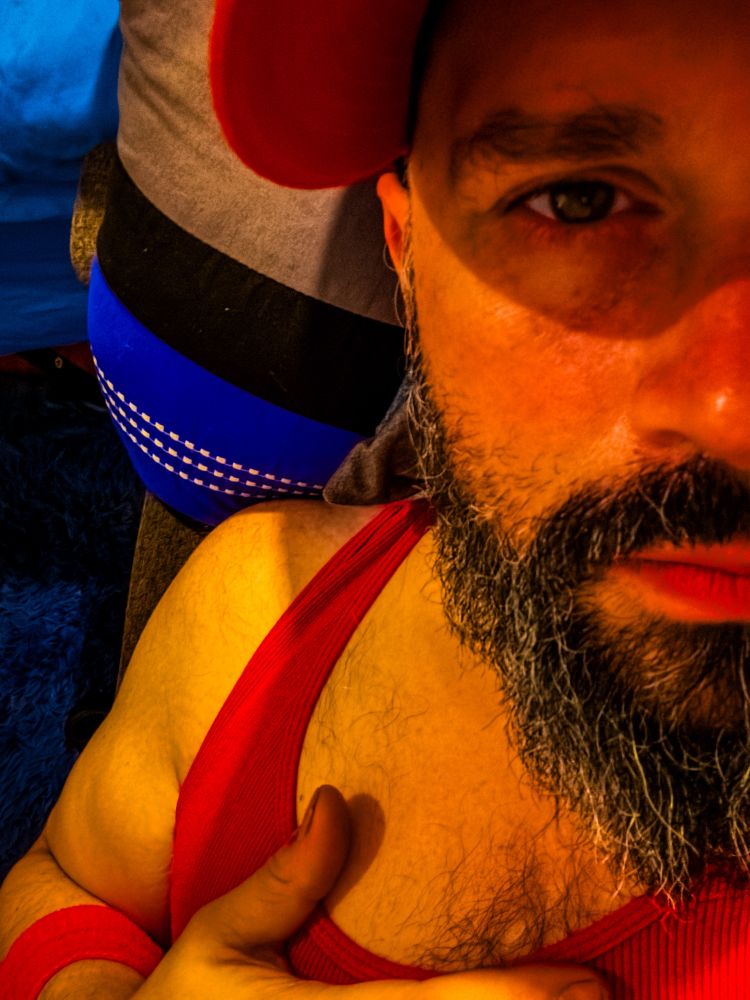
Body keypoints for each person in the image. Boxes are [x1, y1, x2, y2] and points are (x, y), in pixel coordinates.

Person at [2, 0, 750, 997]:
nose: (730, 410)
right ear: (406, 250)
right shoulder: (254, 607)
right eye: (578, 203)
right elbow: (64, 882)